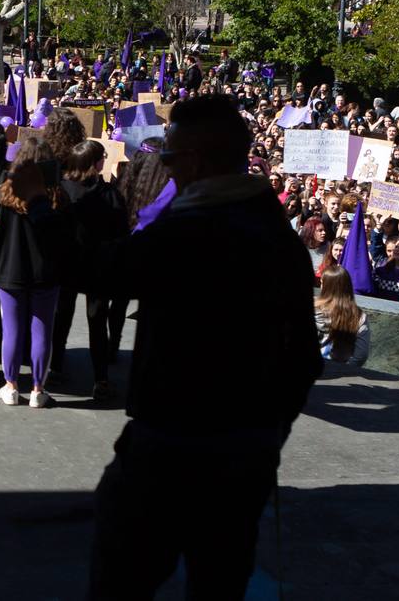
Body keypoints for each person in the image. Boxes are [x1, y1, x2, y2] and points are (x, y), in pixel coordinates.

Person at [89, 94, 320, 601]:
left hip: (170, 442)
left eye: (168, 158)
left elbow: (98, 269)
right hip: (245, 447)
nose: (165, 169)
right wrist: (268, 434)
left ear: (194, 161)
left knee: (122, 578)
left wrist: (40, 204)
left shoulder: (190, 232)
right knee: (219, 581)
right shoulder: (280, 237)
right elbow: (304, 357)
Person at [0, 134, 70, 408]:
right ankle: (38, 389)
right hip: (45, 272)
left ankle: (11, 385)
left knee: (11, 329)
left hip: (9, 270)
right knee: (42, 329)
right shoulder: (58, 195)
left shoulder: (4, 191)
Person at [60, 140, 129, 399]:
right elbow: (121, 231)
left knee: (61, 317)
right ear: (96, 163)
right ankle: (100, 377)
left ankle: (55, 365)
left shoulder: (63, 189)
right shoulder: (109, 193)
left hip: (68, 263)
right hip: (98, 266)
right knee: (97, 322)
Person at [315, 264, 370, 366]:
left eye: (322, 283)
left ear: (326, 286)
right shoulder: (359, 316)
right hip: (341, 373)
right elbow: (361, 355)